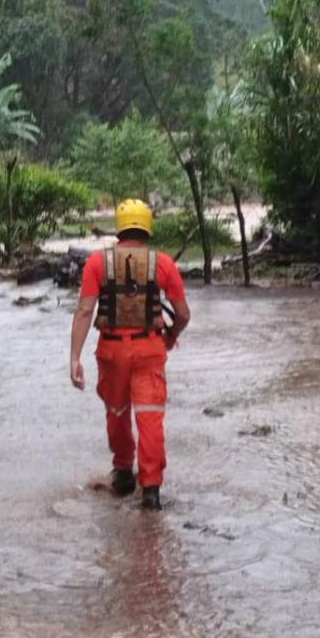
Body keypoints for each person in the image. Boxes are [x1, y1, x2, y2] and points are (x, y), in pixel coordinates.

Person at [69, 198, 190, 511]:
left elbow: (85, 310)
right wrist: (171, 336)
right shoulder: (163, 263)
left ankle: (123, 473)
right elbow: (183, 314)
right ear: (147, 226)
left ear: (120, 228)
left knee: (118, 412)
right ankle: (151, 490)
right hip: (150, 349)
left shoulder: (97, 263)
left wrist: (74, 358)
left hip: (111, 350)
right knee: (150, 416)